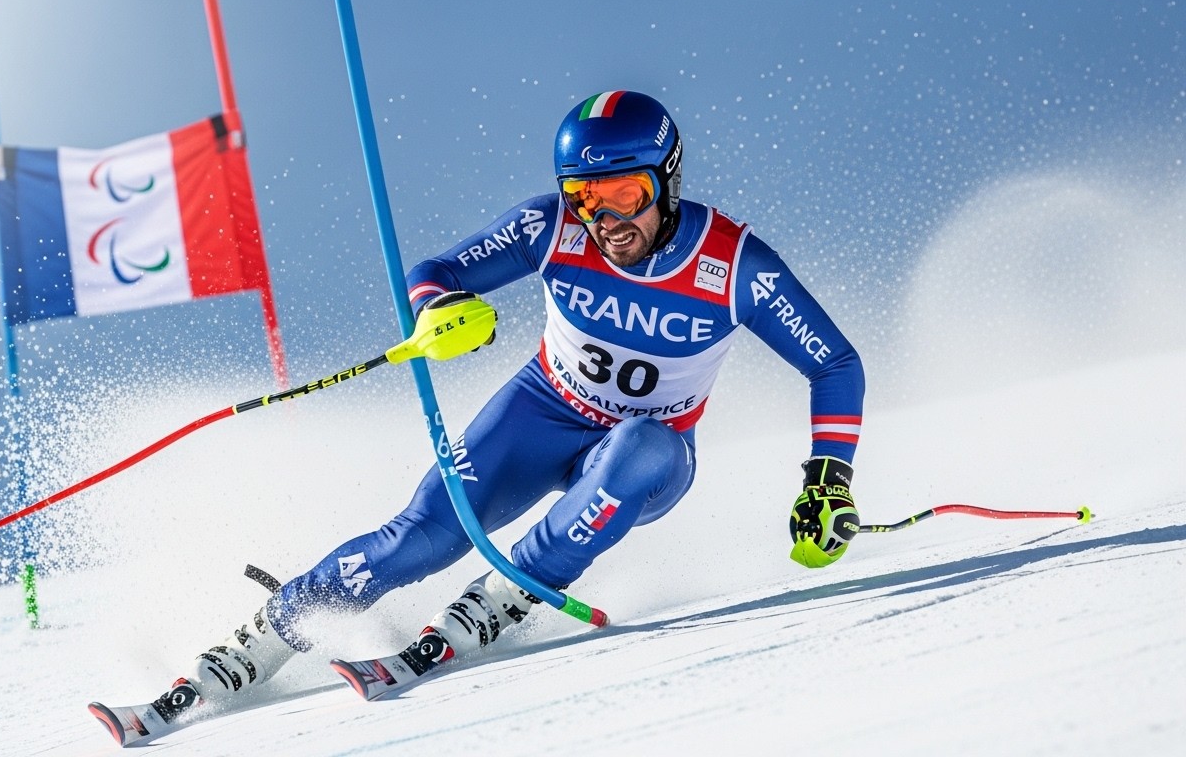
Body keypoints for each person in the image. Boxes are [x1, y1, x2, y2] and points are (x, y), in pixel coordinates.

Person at [153, 90, 864, 720]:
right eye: (586, 198)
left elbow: (833, 363)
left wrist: (829, 477)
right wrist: (441, 308)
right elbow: (434, 273)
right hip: (539, 412)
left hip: (646, 455)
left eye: (624, 194)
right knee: (420, 538)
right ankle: (272, 633)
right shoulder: (551, 227)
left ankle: (507, 593)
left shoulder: (735, 264)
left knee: (642, 443)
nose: (605, 220)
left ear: (667, 179)